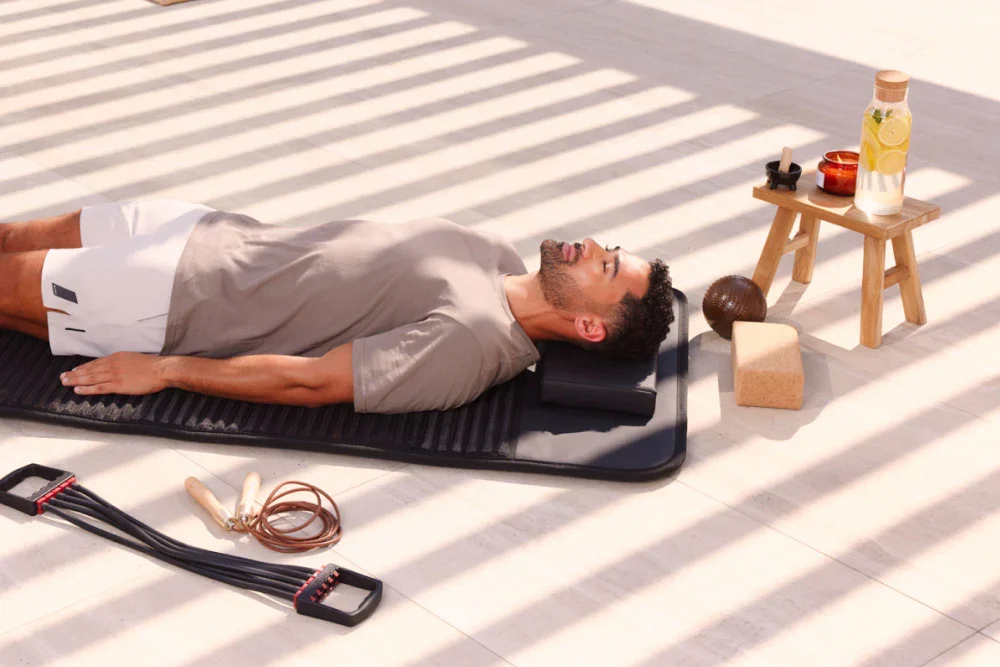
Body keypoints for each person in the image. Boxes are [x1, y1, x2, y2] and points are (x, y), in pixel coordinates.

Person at [0, 200, 674, 414]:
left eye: (605, 265)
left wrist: (168, 369)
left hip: (174, 296)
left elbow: (314, 380)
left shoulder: (472, 344)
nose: (590, 246)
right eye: (607, 247)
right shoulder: (497, 252)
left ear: (590, 323)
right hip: (206, 230)